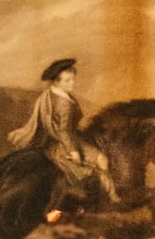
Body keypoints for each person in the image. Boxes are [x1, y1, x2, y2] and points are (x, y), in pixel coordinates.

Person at [7, 56, 112, 216]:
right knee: (102, 160)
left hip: (52, 140)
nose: (72, 83)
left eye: (73, 79)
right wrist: (73, 151)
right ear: (57, 82)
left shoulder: (49, 95)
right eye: (67, 80)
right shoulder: (64, 103)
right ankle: (106, 200)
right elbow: (64, 131)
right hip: (64, 143)